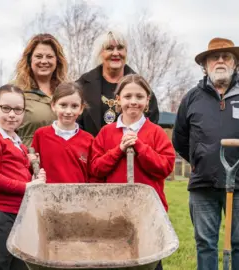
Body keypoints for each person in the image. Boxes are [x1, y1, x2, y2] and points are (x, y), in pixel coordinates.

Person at [172, 37, 239, 270]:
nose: (219, 61)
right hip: (203, 183)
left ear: (235, 63)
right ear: (205, 65)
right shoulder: (192, 98)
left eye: (225, 56)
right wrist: (199, 160)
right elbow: (180, 137)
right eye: (213, 57)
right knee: (205, 243)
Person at [90, 74, 175, 270]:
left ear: (147, 101)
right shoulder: (106, 133)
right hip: (113, 211)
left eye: (139, 96)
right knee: (114, 260)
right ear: (118, 100)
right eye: (128, 96)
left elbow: (164, 168)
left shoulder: (156, 133)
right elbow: (96, 169)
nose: (133, 102)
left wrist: (140, 147)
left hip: (148, 211)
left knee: (148, 260)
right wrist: (118, 150)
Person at [0, 84, 46, 270]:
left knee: (20, 266)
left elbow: (17, 171)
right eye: (5, 108)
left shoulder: (17, 142)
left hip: (20, 214)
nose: (12, 114)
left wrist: (33, 171)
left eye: (18, 109)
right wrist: (28, 187)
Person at [76, 30, 159, 137]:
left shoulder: (142, 87)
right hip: (91, 151)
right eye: (109, 48)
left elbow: (151, 125)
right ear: (100, 53)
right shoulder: (82, 85)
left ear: (126, 52)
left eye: (120, 48)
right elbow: (74, 123)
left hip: (132, 151)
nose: (116, 53)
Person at [31, 82, 94, 183]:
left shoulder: (89, 139)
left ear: (81, 109)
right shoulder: (40, 135)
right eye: (63, 105)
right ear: (53, 106)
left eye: (74, 106)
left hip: (79, 197)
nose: (68, 111)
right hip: (47, 196)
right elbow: (32, 168)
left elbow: (92, 175)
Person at [13, 33, 69, 146]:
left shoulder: (67, 90)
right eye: (38, 56)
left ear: (57, 60)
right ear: (29, 60)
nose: (44, 61)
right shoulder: (15, 91)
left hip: (61, 160)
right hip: (28, 159)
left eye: (49, 57)